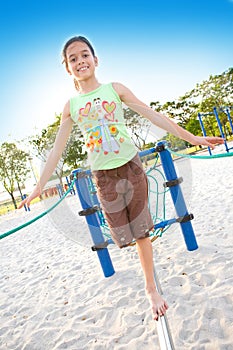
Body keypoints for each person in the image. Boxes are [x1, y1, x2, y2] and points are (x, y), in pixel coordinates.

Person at [19, 36, 223, 321]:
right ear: (67, 68)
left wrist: (192, 137)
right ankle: (140, 252)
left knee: (141, 232)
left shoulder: (115, 89)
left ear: (96, 59)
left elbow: (154, 116)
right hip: (103, 177)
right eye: (73, 59)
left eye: (85, 55)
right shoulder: (71, 105)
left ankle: (150, 288)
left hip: (131, 167)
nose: (81, 61)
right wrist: (38, 188)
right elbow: (56, 149)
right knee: (122, 237)